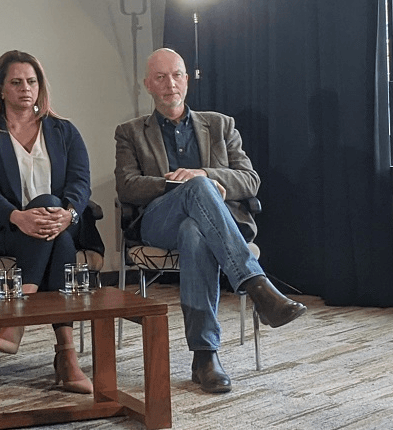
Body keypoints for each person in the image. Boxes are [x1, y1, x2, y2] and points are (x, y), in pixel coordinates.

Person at [115, 48, 306, 394]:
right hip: (159, 222)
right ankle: (256, 285)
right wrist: (183, 183)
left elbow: (250, 180)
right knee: (196, 190)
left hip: (206, 226)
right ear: (147, 84)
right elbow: (127, 186)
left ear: (187, 80)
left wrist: (204, 174)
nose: (169, 83)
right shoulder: (130, 132)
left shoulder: (221, 124)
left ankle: (205, 356)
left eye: (176, 75)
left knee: (195, 232)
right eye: (160, 77)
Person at [0, 50, 103, 394]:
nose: (26, 88)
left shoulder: (65, 131)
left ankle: (17, 313)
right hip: (4, 230)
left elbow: (81, 184)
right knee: (55, 233)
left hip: (62, 223)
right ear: (0, 89)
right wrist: (18, 216)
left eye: (32, 81)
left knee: (51, 209)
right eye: (16, 82)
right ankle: (67, 357)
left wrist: (66, 215)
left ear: (40, 88)